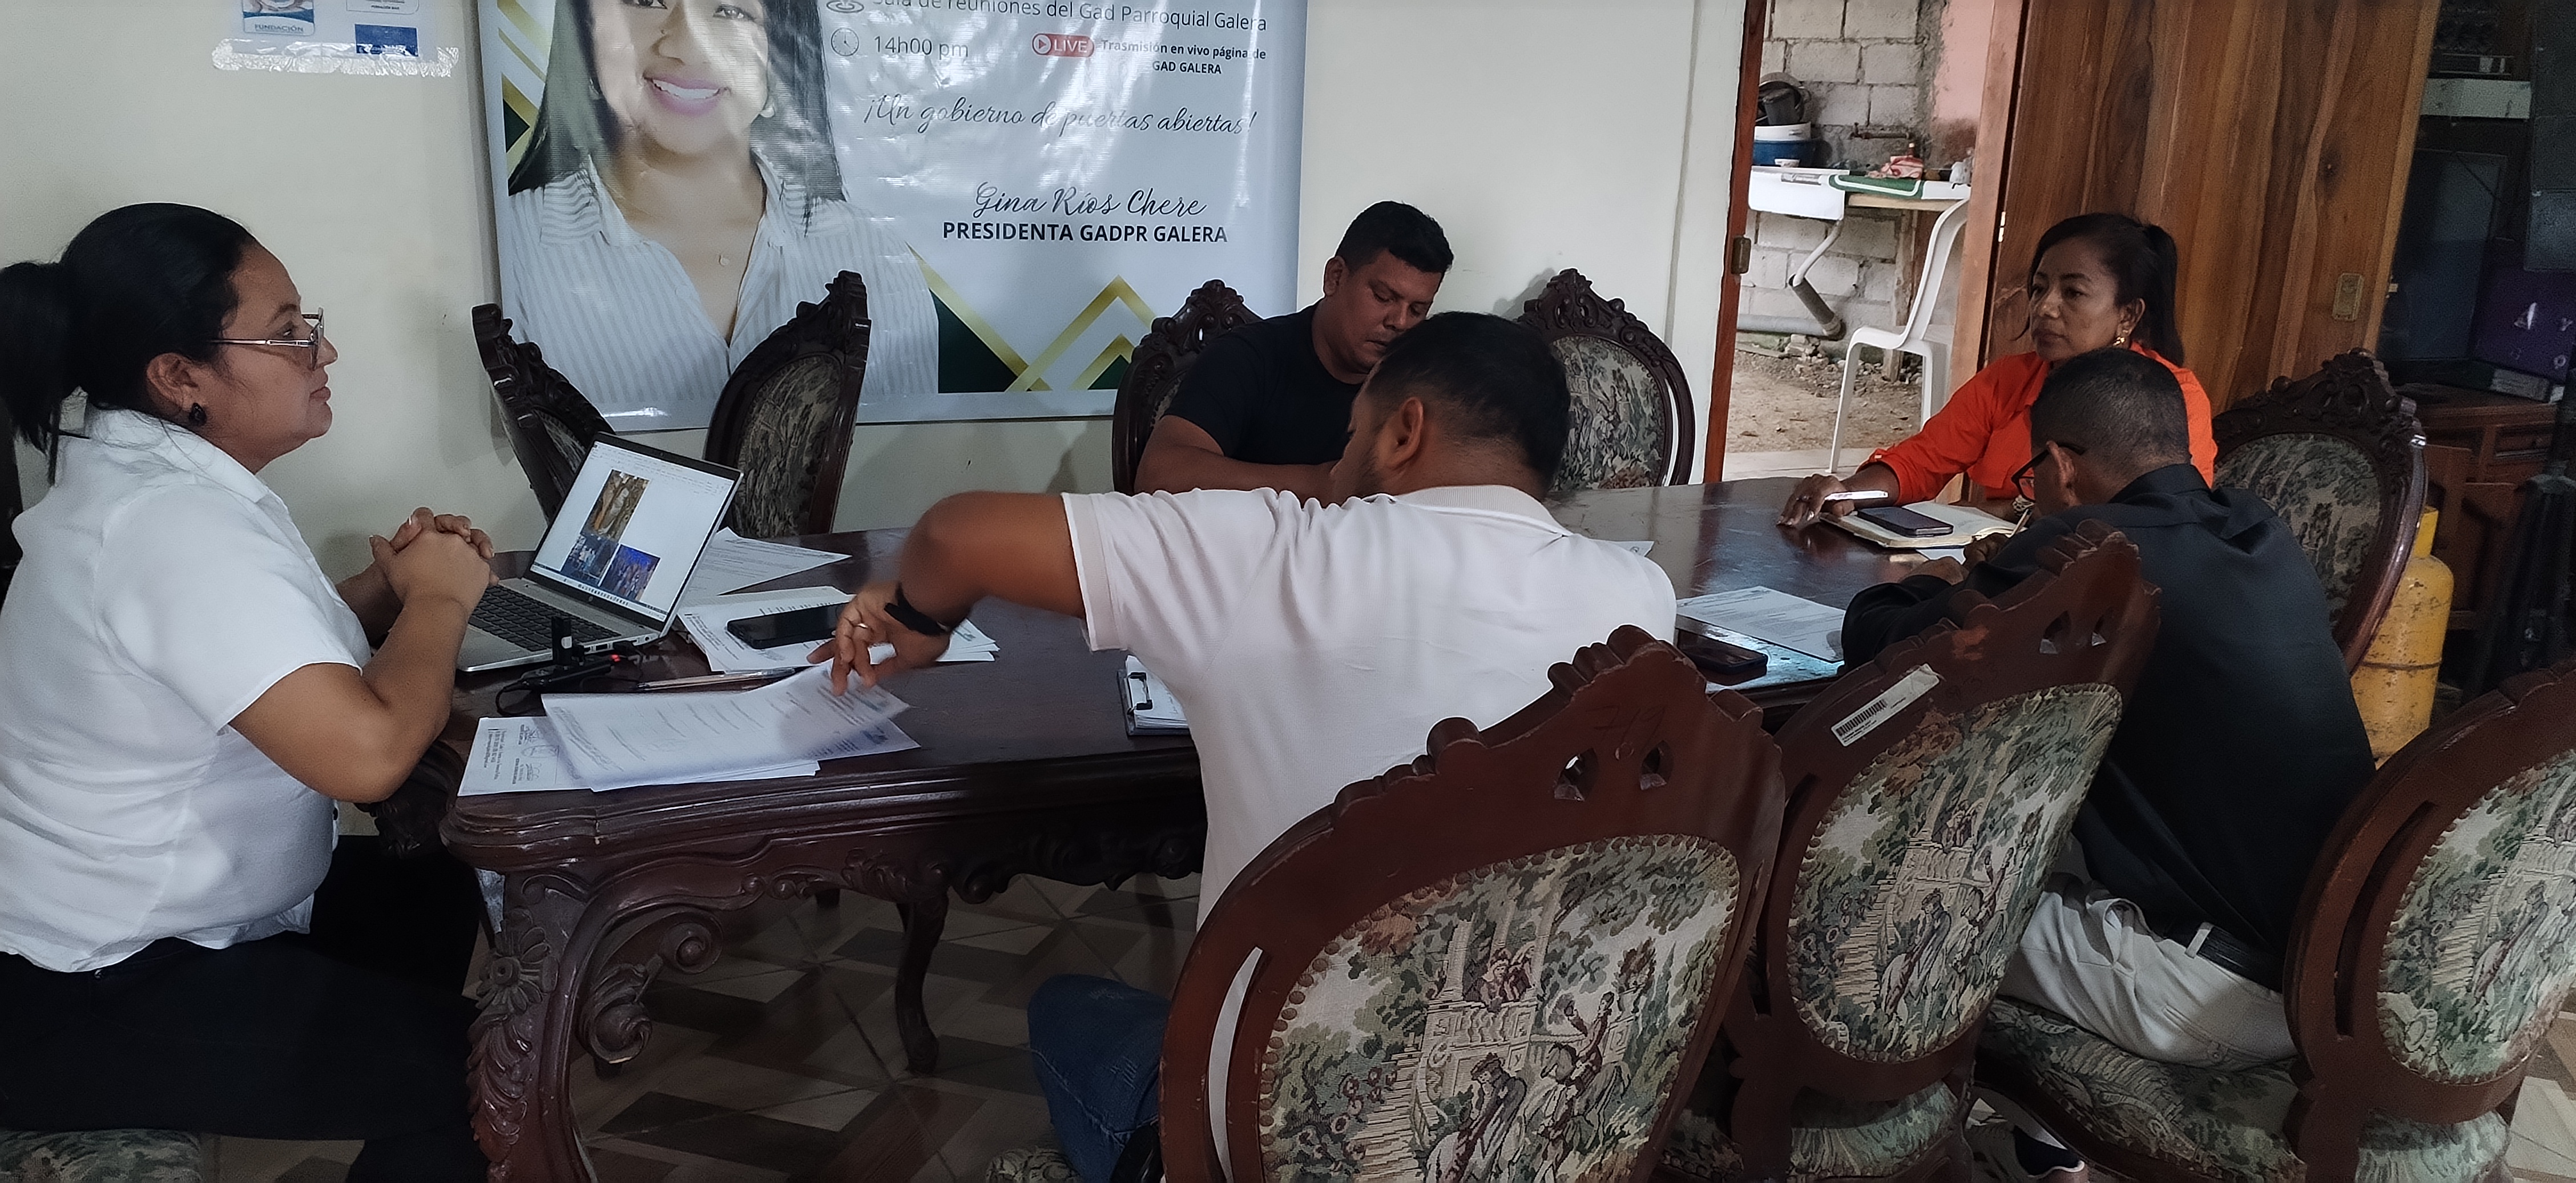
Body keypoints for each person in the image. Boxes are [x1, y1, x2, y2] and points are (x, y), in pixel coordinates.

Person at [818, 312, 1674, 1180]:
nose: (1340, 464)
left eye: (1353, 436)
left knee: (1069, 1007)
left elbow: (955, 535)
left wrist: (919, 618)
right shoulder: (1641, 599)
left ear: (1405, 431)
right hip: (1535, 1127)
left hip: (1264, 1143)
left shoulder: (1273, 553)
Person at [0, 204, 499, 1181]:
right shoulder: (170, 526)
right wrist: (440, 600)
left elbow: (238, 660)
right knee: (488, 1072)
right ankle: (407, 1081)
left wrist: (383, 594)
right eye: (288, 332)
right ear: (180, 377)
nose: (324, 351)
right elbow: (368, 756)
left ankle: (378, 1071)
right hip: (88, 988)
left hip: (141, 933)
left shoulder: (151, 485)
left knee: (431, 884)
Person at [1840, 348, 2375, 1180]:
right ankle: (2038, 1150)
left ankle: (1868, 1146)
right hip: (2331, 965)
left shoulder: (2093, 547)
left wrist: (1941, 581)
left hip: (2209, 988)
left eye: (2032, 479)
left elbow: (1885, 641)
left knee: (1881, 906)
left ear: (2060, 465)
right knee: (2020, 833)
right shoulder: (2262, 530)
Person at [499, 0, 937, 430]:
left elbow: (911, 466)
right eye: (646, 1)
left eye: (730, 10)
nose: (689, 46)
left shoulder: (877, 259)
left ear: (781, 53)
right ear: (583, 31)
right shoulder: (505, 255)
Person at [1780, 213, 2216, 528]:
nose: (2045, 308)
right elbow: (1922, 462)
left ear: (2128, 315)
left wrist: (2011, 511)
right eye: (2039, 289)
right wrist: (1852, 491)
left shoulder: (2174, 397)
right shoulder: (2009, 380)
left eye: (2073, 293)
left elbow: (2168, 516)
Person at [1135, 200, 1453, 498]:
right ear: (1335, 278)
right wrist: (1322, 484)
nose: (1399, 322)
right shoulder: (1247, 357)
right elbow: (1159, 474)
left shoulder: (1421, 385)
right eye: (1383, 297)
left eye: (1417, 310)